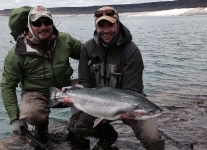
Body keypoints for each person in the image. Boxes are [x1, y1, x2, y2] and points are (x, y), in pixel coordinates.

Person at [67, 6, 165, 150]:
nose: (106, 30)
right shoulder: (87, 48)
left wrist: (126, 111)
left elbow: (133, 89)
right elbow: (86, 83)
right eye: (101, 25)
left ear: (117, 24)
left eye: (110, 25)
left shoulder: (131, 51)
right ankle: (108, 135)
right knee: (76, 127)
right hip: (97, 102)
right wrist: (73, 97)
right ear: (96, 26)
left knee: (153, 139)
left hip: (128, 105)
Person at [0, 5, 82, 143]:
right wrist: (14, 118)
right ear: (29, 25)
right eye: (37, 23)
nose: (43, 27)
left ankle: (77, 129)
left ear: (52, 22)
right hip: (36, 92)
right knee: (32, 114)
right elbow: (7, 86)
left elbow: (87, 54)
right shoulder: (16, 54)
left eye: (47, 22)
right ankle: (41, 129)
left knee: (93, 94)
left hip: (65, 88)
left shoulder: (65, 40)